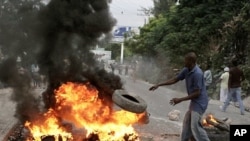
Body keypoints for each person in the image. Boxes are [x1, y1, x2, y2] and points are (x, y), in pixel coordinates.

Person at [149, 52, 210, 141]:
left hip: (200, 102)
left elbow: (197, 93)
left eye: (186, 61)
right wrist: (159, 84)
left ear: (191, 62)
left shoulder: (197, 73)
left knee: (195, 126)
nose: (184, 62)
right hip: (194, 101)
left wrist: (180, 99)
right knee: (187, 123)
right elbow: (175, 79)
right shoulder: (186, 69)